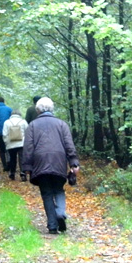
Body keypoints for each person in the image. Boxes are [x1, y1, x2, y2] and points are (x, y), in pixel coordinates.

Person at [21, 97, 80, 234]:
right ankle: (60, 212)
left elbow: (28, 148)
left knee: (46, 192)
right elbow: (69, 145)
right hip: (59, 160)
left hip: (39, 161)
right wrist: (74, 162)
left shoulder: (33, 125)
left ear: (37, 110)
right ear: (52, 108)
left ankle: (52, 226)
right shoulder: (62, 124)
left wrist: (27, 167)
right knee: (59, 189)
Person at [2, 110, 28, 181]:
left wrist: (6, 142)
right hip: (21, 143)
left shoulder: (7, 122)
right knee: (21, 158)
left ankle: (12, 173)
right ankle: (23, 173)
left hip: (11, 143)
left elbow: (4, 134)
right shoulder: (23, 121)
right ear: (20, 114)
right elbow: (27, 132)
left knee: (12, 158)